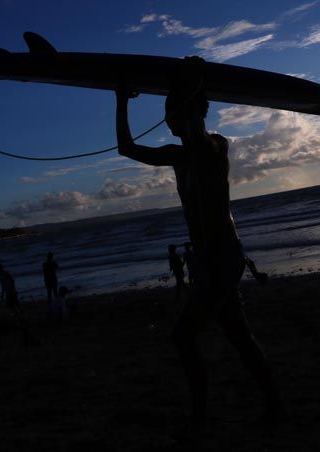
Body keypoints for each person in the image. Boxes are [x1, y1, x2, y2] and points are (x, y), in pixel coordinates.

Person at [115, 57, 283, 425]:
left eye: (173, 112)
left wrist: (193, 81)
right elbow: (126, 148)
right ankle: (273, 404)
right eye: (168, 114)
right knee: (238, 335)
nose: (169, 120)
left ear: (190, 112)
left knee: (183, 335)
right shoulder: (176, 157)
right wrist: (121, 98)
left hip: (224, 257)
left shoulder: (216, 147)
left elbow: (200, 132)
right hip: (206, 261)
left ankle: (202, 415)